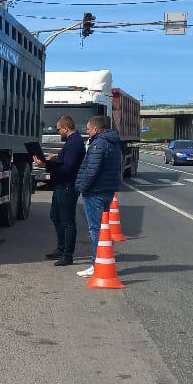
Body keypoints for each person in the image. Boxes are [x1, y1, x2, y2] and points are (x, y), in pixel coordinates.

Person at [74, 115, 123, 278]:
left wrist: (82, 187)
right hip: (108, 190)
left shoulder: (98, 143)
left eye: (88, 128)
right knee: (103, 229)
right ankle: (101, 261)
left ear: (95, 128)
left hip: (95, 192)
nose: (87, 131)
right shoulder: (113, 142)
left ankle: (97, 264)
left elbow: (91, 170)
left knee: (95, 229)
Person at [33, 116, 84, 265]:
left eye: (58, 129)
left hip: (68, 186)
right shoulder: (71, 142)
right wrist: (53, 159)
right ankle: (61, 248)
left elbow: (68, 168)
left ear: (66, 128)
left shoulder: (75, 143)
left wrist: (45, 164)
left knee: (67, 221)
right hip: (61, 185)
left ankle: (67, 255)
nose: (58, 132)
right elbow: (66, 161)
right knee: (55, 216)